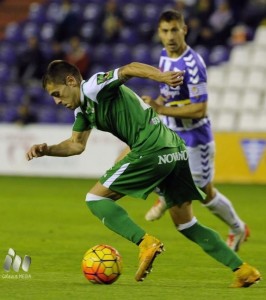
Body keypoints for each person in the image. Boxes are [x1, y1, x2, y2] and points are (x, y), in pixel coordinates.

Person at [26, 60, 260, 287]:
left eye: (57, 93)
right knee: (186, 223)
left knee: (95, 199)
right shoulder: (83, 111)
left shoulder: (93, 86)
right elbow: (76, 145)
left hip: (150, 149)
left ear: (71, 81)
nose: (56, 101)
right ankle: (243, 270)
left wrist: (161, 77)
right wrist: (48, 150)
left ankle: (145, 242)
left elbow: (129, 69)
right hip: (174, 150)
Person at [142, 10, 249, 252]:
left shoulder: (193, 64)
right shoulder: (163, 57)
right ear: (159, 33)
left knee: (204, 193)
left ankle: (238, 228)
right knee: (147, 160)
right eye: (165, 31)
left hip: (195, 138)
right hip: (172, 132)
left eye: (174, 30)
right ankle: (165, 194)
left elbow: (200, 109)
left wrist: (160, 109)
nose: (170, 36)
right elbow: (168, 95)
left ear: (184, 30)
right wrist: (155, 104)